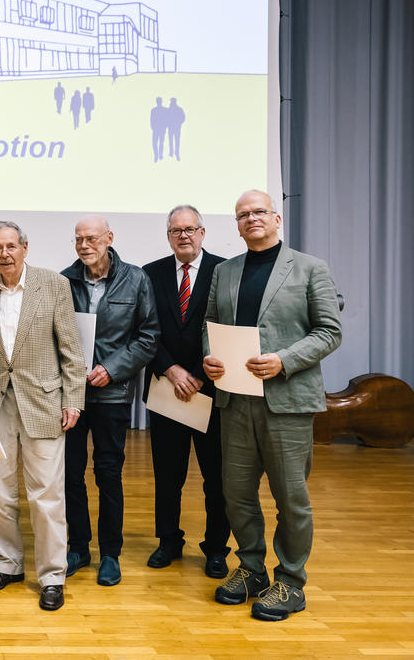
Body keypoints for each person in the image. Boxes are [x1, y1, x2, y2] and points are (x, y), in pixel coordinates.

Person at [204, 190, 341, 621]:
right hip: (235, 399)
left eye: (259, 211)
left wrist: (284, 360)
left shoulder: (310, 268)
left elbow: (329, 331)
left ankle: (291, 581)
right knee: (236, 493)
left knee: (290, 498)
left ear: (276, 218)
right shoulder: (225, 271)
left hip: (287, 402)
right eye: (243, 215)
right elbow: (211, 325)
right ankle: (251, 568)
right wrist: (209, 356)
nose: (251, 219)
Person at [0, 221, 86, 612]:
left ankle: (52, 576)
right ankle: (7, 564)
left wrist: (73, 400)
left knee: (46, 495)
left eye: (11, 246)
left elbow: (71, 349)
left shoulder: (54, 284)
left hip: (44, 403)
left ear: (25, 248)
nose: (5, 254)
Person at [61, 216, 159, 587]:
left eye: (91, 238)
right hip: (71, 393)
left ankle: (110, 555)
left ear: (109, 238)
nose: (84, 245)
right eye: (78, 239)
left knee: (108, 474)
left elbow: (148, 337)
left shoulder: (136, 279)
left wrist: (112, 369)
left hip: (112, 393)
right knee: (70, 474)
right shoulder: (64, 281)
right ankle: (78, 548)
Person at [142, 205, 230, 578]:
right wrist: (171, 369)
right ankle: (168, 542)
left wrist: (196, 375)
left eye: (190, 229)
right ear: (168, 236)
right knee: (168, 475)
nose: (184, 236)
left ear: (202, 233)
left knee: (217, 478)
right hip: (166, 388)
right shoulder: (150, 273)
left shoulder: (224, 271)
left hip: (212, 390)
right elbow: (144, 330)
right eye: (176, 230)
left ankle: (216, 549)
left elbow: (228, 327)